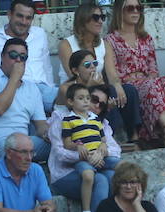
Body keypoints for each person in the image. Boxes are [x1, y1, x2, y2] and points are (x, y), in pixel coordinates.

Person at [0, 38, 50, 167]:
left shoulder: (32, 88)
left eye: (23, 57)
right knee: (7, 148)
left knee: (56, 147)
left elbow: (40, 125)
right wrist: (14, 78)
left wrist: (49, 134)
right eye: (13, 55)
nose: (18, 60)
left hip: (23, 143)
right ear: (2, 57)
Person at [47, 83, 119, 212]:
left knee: (114, 176)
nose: (96, 105)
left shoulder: (100, 123)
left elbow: (115, 150)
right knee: (101, 180)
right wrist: (87, 156)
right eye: (94, 99)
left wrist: (100, 153)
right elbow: (60, 152)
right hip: (65, 173)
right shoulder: (62, 117)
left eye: (101, 105)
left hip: (94, 167)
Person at [0, 133, 52, 212]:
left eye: (32, 152)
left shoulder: (36, 170)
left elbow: (48, 203)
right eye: (24, 152)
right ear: (9, 153)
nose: (29, 158)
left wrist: (48, 208)